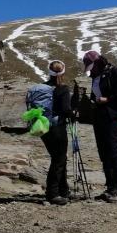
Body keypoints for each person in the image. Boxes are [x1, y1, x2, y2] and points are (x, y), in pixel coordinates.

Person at [82, 50, 117, 203]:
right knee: (104, 153)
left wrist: (109, 99)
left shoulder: (113, 72)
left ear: (98, 62)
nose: (91, 69)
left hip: (112, 117)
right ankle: (111, 188)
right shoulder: (95, 76)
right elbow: (95, 95)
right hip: (99, 117)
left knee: (114, 152)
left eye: (92, 66)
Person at [40, 60, 73, 205]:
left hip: (44, 127)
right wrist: (73, 113)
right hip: (58, 127)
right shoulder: (63, 88)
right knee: (59, 160)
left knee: (58, 158)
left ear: (49, 72)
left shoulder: (43, 87)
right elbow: (66, 109)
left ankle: (63, 191)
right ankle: (52, 193)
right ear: (63, 72)